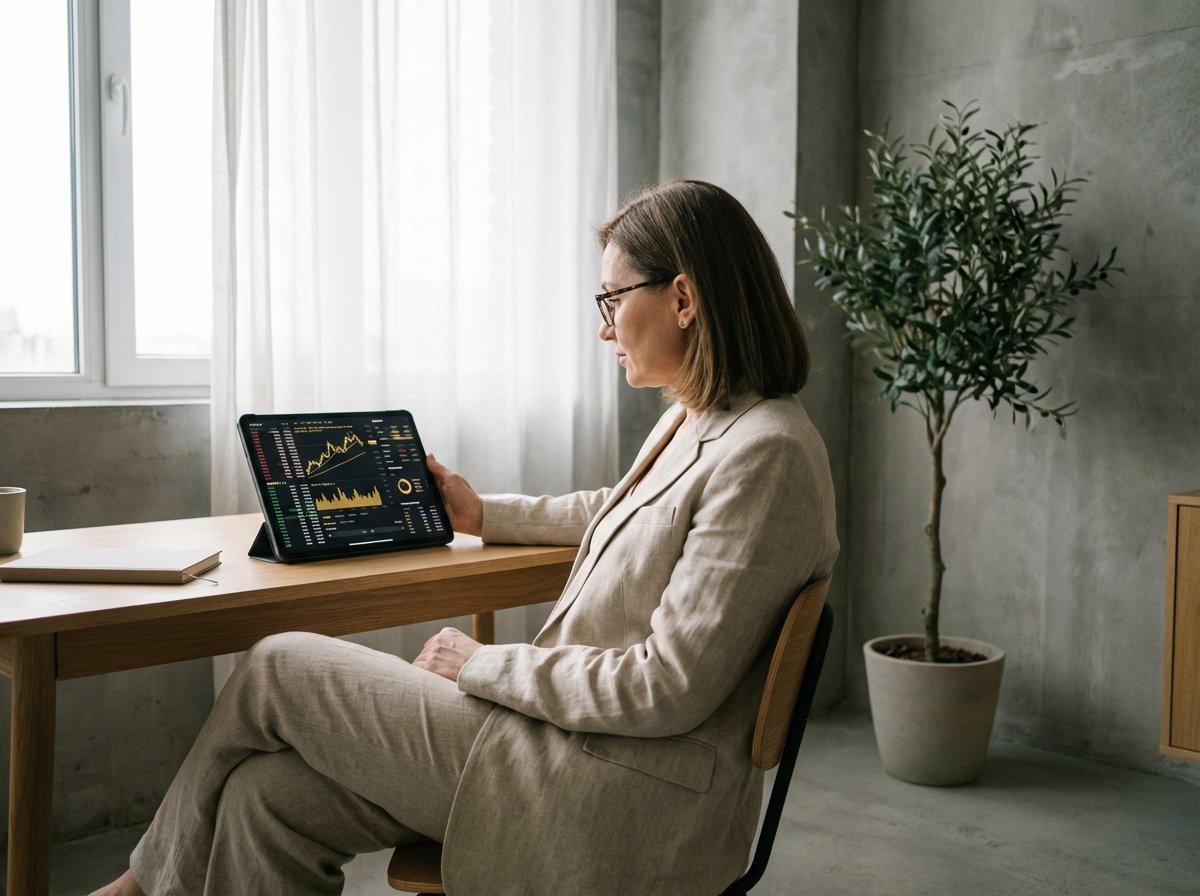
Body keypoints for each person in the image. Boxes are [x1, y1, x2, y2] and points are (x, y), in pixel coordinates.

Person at [92, 179, 838, 896]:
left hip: (613, 790)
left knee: (277, 665)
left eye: (611, 298)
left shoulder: (766, 455)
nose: (604, 325)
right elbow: (621, 510)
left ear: (682, 298)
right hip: (571, 751)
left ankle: (150, 883)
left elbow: (665, 686)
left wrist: (482, 663)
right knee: (266, 798)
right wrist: (481, 514)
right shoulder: (705, 418)